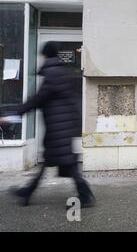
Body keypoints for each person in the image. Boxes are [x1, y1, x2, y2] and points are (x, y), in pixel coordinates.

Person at [0, 41, 95, 208]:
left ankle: (85, 196)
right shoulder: (60, 72)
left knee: (68, 165)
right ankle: (28, 192)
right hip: (60, 126)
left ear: (45, 55)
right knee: (50, 163)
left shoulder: (52, 74)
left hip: (58, 128)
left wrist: (16, 113)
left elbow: (38, 99)